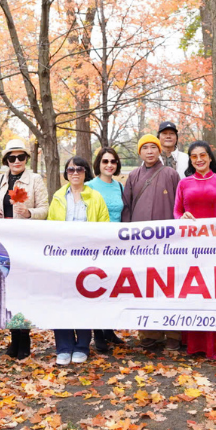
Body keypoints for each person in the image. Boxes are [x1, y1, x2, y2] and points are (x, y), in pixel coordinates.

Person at [174, 141, 216, 361]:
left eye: (203, 155)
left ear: (210, 157)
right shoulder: (184, 183)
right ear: (190, 160)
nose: (199, 159)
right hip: (191, 247)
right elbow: (177, 212)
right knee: (195, 291)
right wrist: (183, 218)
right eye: (194, 156)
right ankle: (194, 344)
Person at [0, 138, 50, 360]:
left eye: (20, 157)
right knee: (8, 289)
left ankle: (25, 340)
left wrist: (30, 213)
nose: (16, 161)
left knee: (24, 289)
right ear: (6, 160)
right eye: (12, 157)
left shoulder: (34, 180)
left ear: (26, 159)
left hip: (25, 241)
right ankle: (14, 338)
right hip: (4, 241)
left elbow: (45, 208)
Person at [46, 156, 109, 365]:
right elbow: (50, 226)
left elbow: (104, 226)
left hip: (87, 258)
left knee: (83, 300)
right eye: (71, 169)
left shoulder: (96, 197)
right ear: (66, 173)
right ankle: (63, 347)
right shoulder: (57, 197)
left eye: (79, 169)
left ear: (85, 173)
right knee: (61, 300)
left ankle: (82, 345)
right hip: (62, 258)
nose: (75, 173)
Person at [123, 134, 183, 354]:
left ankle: (174, 334)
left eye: (153, 147)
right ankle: (149, 333)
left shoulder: (171, 174)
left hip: (168, 242)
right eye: (145, 148)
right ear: (139, 152)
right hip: (140, 244)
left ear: (159, 150)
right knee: (145, 286)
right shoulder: (133, 176)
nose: (149, 151)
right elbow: (127, 208)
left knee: (170, 286)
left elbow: (180, 207)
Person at [86, 147, 128, 353]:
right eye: (105, 161)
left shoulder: (120, 187)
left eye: (113, 161)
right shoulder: (89, 187)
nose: (109, 165)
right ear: (98, 164)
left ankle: (109, 329)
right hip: (96, 244)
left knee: (112, 288)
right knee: (97, 287)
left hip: (117, 245)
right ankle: (98, 333)